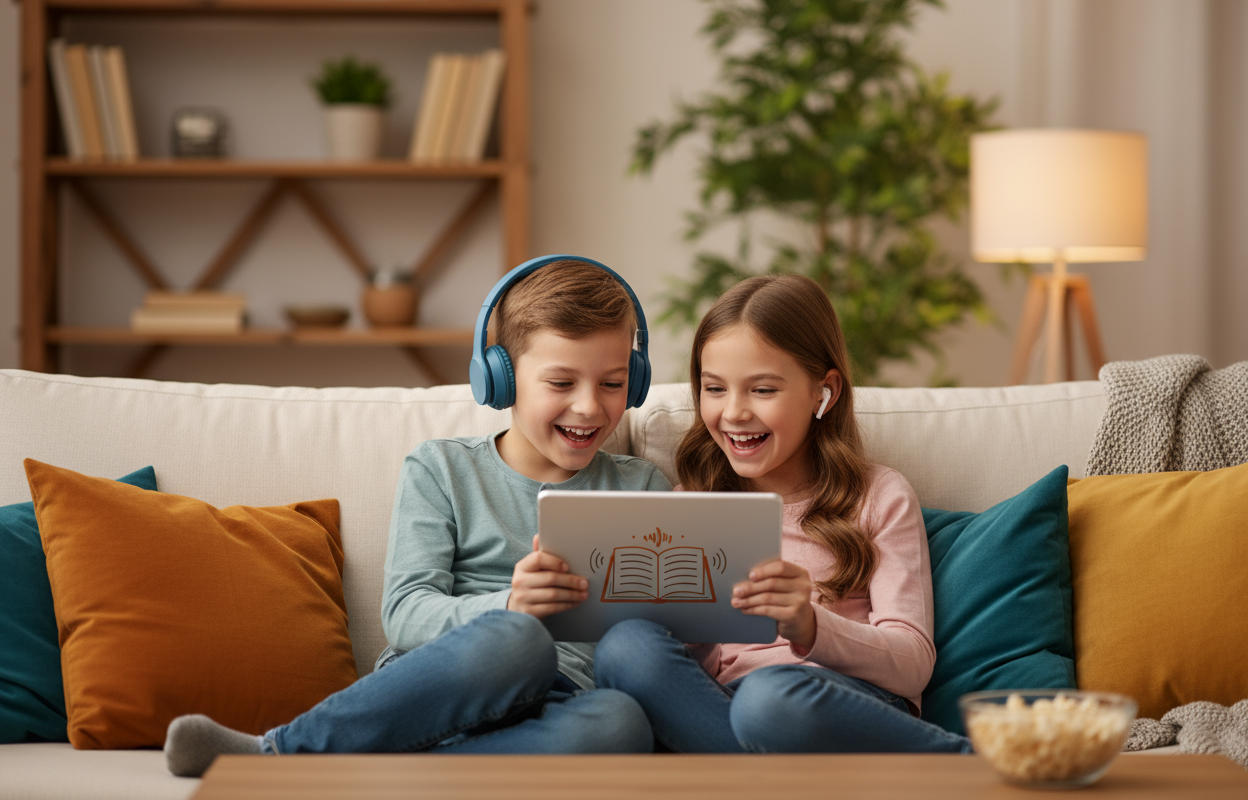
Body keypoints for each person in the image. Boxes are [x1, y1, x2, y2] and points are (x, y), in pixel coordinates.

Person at [164, 257, 669, 777]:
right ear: (500, 378)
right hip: (443, 684)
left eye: (612, 384)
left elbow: (660, 628)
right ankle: (280, 754)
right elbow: (405, 613)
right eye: (561, 383)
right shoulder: (442, 468)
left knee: (621, 722)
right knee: (520, 641)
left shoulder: (643, 486)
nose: (589, 407)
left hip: (553, 707)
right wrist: (511, 605)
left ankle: (391, 771)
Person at [593, 274, 971, 754]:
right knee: (626, 647)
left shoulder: (878, 495)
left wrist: (808, 625)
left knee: (770, 699)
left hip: (831, 702)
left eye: (762, 390)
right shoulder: (690, 503)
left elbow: (914, 662)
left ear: (823, 392)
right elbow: (694, 670)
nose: (734, 413)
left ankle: (956, 763)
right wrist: (685, 629)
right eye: (714, 388)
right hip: (721, 710)